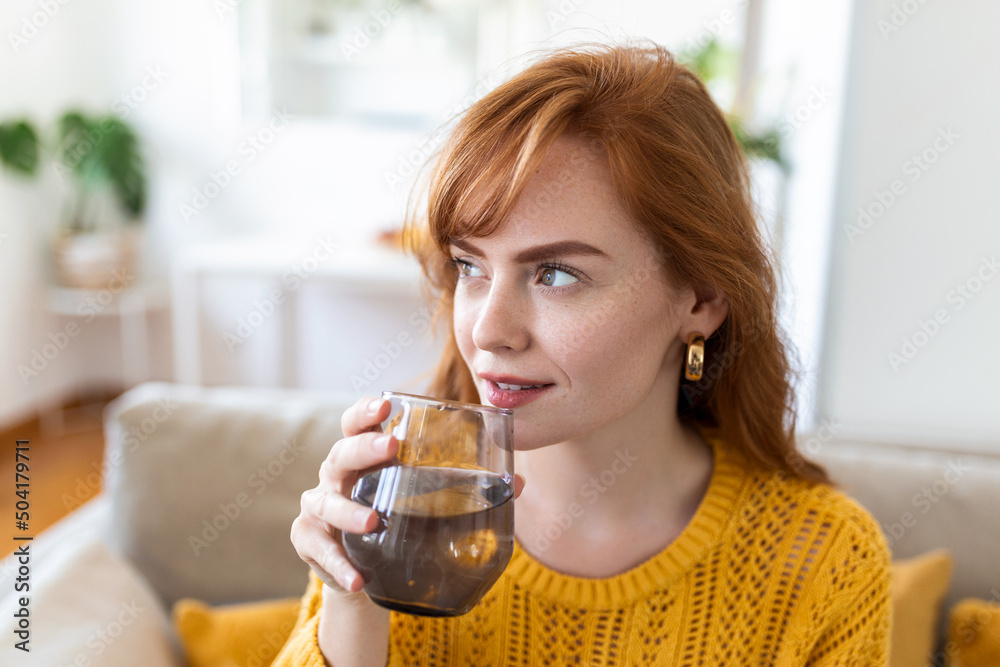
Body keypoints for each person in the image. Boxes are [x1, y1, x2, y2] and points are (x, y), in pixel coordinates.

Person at [275, 42, 891, 666]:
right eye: (470, 265)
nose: (489, 331)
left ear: (702, 299)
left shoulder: (826, 563)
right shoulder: (400, 512)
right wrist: (350, 602)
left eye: (557, 275)